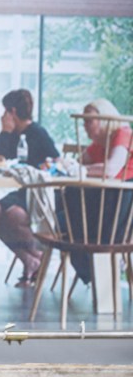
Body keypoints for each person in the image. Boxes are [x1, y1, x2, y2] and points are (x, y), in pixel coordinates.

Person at [0, 90, 59, 287]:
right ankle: (30, 260)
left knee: (13, 215)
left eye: (5, 111)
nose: (2, 116)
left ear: (12, 112)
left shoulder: (38, 133)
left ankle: (39, 257)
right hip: (21, 192)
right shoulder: (11, 134)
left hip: (39, 194)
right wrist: (4, 133)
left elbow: (56, 161)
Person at [65, 98, 133, 283]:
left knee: (72, 214)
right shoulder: (98, 143)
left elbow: (111, 169)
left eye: (89, 121)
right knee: (68, 202)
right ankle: (92, 267)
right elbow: (77, 163)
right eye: (84, 121)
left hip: (123, 206)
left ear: (104, 118)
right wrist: (67, 165)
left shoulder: (123, 133)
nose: (85, 126)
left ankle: (100, 266)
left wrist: (81, 169)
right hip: (106, 202)